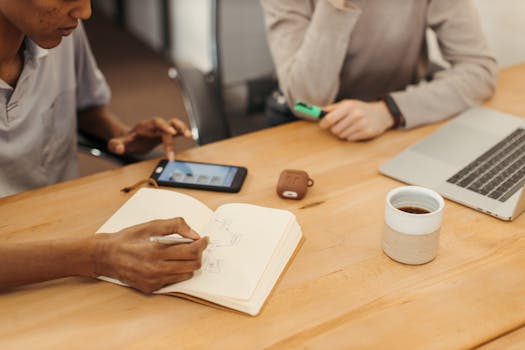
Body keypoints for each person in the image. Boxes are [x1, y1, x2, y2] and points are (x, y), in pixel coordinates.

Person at [0, 0, 207, 293]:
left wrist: (122, 136)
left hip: (71, 230)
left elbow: (82, 107)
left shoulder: (61, 31)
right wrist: (97, 257)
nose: (85, 11)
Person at [261, 0, 498, 141]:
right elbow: (307, 102)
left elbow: (479, 70)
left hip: (399, 118)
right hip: (311, 120)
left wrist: (389, 111)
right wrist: (335, 6)